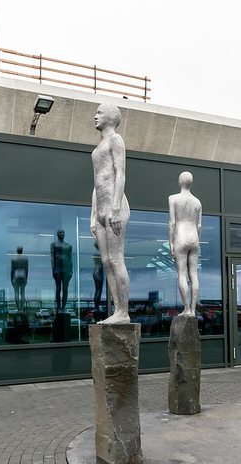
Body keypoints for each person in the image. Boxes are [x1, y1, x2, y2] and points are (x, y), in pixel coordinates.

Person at [90, 103, 131, 324]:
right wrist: (93, 214)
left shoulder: (116, 140)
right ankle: (117, 310)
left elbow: (120, 173)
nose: (95, 116)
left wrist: (115, 208)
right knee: (105, 261)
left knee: (116, 259)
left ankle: (123, 311)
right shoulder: (97, 150)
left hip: (115, 207)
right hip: (101, 209)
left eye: (99, 112)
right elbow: (96, 184)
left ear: (111, 117)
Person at [168, 171, 202, 317]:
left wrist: (171, 242)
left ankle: (187, 309)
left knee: (182, 273)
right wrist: (197, 240)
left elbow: (172, 222)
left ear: (180, 181)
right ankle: (193, 310)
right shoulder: (197, 202)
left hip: (181, 236)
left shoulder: (173, 199)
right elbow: (199, 226)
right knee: (193, 275)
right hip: (194, 237)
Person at [50, 229, 73, 313]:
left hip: (66, 269)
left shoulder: (68, 246)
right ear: (57, 234)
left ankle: (63, 307)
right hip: (58, 269)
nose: (62, 234)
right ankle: (59, 307)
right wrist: (53, 269)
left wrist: (71, 271)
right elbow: (52, 257)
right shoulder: (54, 244)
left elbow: (70, 259)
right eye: (60, 232)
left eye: (63, 232)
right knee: (58, 288)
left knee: (65, 288)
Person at [10, 246, 28, 311]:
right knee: (23, 293)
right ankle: (22, 309)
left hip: (16, 275)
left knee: (16, 293)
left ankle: (18, 309)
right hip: (23, 275)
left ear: (17, 250)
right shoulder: (26, 258)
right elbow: (26, 270)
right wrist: (26, 278)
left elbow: (12, 270)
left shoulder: (13, 258)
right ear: (22, 250)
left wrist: (11, 279)